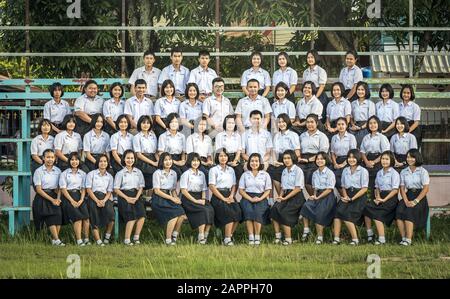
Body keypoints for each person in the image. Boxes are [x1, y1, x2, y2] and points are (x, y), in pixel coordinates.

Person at [332, 149, 369, 245]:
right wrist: (345, 196)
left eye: (353, 157)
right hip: (347, 194)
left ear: (358, 158)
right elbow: (343, 186)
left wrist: (352, 199)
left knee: (347, 215)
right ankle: (336, 239)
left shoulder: (363, 171)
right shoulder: (345, 170)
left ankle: (355, 239)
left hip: (359, 196)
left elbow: (364, 188)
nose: (351, 159)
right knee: (337, 213)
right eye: (349, 157)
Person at [363, 150, 400, 245]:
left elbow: (395, 190)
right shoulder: (379, 172)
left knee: (377, 215)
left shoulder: (394, 173)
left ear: (391, 160)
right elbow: (377, 187)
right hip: (380, 197)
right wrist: (378, 198)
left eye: (387, 159)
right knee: (366, 208)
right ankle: (370, 234)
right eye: (383, 159)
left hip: (390, 198)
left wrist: (384, 199)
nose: (384, 161)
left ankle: (382, 239)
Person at [300, 152, 337, 244]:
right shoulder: (315, 173)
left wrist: (318, 197)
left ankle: (320, 237)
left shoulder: (330, 173)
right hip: (318, 195)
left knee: (319, 212)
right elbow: (315, 188)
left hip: (327, 196)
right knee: (306, 205)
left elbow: (329, 189)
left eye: (322, 159)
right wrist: (314, 195)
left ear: (326, 160)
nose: (319, 161)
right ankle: (306, 230)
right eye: (318, 159)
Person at [270, 150, 305, 245]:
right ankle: (278, 237)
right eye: (284, 158)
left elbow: (298, 189)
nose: (286, 160)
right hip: (285, 195)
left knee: (284, 213)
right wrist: (280, 196)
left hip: (296, 197)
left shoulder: (298, 170)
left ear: (293, 158)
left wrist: (285, 198)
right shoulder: (284, 171)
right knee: (274, 209)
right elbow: (283, 187)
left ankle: (288, 239)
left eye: (288, 158)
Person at [151, 152, 187, 245]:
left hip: (169, 196)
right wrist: (172, 198)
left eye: (170, 160)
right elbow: (157, 191)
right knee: (174, 215)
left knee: (182, 214)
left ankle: (174, 235)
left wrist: (176, 198)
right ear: (162, 161)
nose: (168, 162)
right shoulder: (157, 173)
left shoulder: (174, 173)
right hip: (159, 198)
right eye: (165, 160)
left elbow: (173, 189)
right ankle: (168, 239)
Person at [395, 149, 430, 246]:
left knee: (409, 212)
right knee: (399, 211)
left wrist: (416, 201)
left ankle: (408, 239)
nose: (409, 159)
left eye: (412, 157)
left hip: (420, 197)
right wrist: (405, 200)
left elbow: (426, 188)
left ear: (417, 158)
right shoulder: (404, 171)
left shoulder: (423, 171)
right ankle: (403, 238)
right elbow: (402, 188)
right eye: (408, 157)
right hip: (408, 194)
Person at [209, 148, 242, 246]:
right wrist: (223, 199)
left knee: (238, 212)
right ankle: (227, 239)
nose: (223, 158)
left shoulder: (231, 169)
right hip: (218, 196)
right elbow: (212, 186)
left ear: (228, 157)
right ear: (217, 157)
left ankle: (229, 235)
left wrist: (232, 196)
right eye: (220, 156)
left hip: (229, 195)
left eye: (225, 156)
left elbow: (234, 185)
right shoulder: (213, 170)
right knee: (229, 213)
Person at [180, 153, 215, 244]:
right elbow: (184, 191)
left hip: (200, 197)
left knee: (210, 209)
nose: (195, 163)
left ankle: (205, 235)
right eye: (193, 161)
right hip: (188, 198)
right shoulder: (186, 174)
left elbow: (204, 189)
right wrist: (196, 201)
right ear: (189, 161)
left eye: (197, 161)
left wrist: (203, 199)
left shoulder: (202, 174)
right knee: (203, 211)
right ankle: (201, 236)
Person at [32, 149, 64, 246]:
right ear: (43, 158)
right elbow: (38, 189)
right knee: (50, 215)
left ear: (55, 159)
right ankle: (57, 240)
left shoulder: (58, 171)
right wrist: (52, 200)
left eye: (52, 157)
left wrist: (58, 198)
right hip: (43, 197)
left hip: (55, 195)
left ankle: (55, 240)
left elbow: (59, 187)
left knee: (58, 216)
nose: (50, 159)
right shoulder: (38, 171)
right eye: (48, 157)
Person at [239, 153, 272, 245]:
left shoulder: (265, 174)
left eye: (256, 161)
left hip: (261, 197)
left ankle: (257, 236)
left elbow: (268, 190)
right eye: (252, 161)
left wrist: (260, 198)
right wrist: (250, 198)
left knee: (258, 212)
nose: (254, 163)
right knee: (248, 211)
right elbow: (241, 190)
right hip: (247, 197)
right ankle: (251, 237)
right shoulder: (245, 174)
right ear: (249, 162)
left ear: (260, 162)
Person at [114, 150, 146, 246]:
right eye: (128, 158)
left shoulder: (138, 172)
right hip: (124, 196)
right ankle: (127, 239)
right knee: (131, 216)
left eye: (132, 158)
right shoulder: (120, 173)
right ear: (124, 159)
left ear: (134, 159)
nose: (130, 160)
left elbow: (141, 186)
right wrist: (127, 198)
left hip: (136, 195)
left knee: (142, 215)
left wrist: (136, 197)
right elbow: (116, 189)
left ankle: (136, 237)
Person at [59, 152, 90, 246]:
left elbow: (83, 188)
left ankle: (86, 239)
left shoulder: (83, 174)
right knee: (78, 218)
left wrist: (81, 199)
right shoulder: (64, 173)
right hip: (68, 197)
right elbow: (63, 189)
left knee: (86, 218)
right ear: (69, 161)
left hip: (80, 196)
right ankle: (79, 240)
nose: (74, 162)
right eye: (72, 159)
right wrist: (72, 201)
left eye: (76, 159)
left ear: (79, 161)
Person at [85, 154, 115, 246]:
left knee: (111, 215)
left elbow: (109, 191)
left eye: (105, 161)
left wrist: (104, 201)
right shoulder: (91, 174)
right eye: (101, 161)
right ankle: (98, 240)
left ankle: (107, 237)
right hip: (93, 197)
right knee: (94, 217)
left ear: (107, 163)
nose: (103, 163)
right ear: (97, 163)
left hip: (105, 197)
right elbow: (88, 189)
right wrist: (97, 201)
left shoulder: (109, 176)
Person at [268, 113, 300, 196]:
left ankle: (287, 196)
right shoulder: (276, 136)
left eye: (283, 122)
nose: (281, 124)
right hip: (279, 159)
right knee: (272, 171)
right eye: (279, 122)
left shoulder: (293, 135)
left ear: (287, 122)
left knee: (282, 172)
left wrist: (288, 162)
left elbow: (297, 153)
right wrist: (275, 161)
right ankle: (280, 196)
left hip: (290, 159)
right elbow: (274, 151)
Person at [298, 114, 330, 196]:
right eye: (307, 122)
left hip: (317, 160)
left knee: (309, 177)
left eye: (312, 122)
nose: (309, 124)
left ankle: (317, 198)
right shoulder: (302, 135)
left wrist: (309, 160)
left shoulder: (322, 136)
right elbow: (299, 150)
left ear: (317, 123)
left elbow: (323, 153)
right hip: (303, 160)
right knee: (297, 174)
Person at [360, 115, 390, 193]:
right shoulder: (366, 137)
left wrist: (373, 162)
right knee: (366, 182)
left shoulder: (382, 137)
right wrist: (366, 162)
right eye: (370, 123)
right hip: (367, 160)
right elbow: (362, 152)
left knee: (376, 183)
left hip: (379, 160)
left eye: (374, 123)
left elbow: (385, 153)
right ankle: (368, 201)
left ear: (378, 124)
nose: (372, 125)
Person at [330, 117, 357, 195]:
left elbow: (353, 153)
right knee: (331, 176)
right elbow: (332, 152)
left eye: (343, 124)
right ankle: (343, 196)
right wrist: (335, 164)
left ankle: (346, 196)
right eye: (339, 124)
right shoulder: (334, 137)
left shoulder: (351, 137)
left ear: (346, 125)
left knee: (343, 178)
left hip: (348, 161)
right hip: (337, 161)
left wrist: (343, 164)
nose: (341, 126)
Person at [133, 115, 158, 193]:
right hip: (142, 161)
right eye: (143, 123)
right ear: (140, 124)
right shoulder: (137, 137)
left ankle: (149, 198)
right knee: (143, 182)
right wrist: (153, 163)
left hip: (153, 158)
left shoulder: (153, 136)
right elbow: (138, 154)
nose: (146, 125)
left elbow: (156, 151)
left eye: (148, 123)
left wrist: (157, 161)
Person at [214, 115, 244, 181]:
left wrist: (235, 161)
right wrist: (226, 161)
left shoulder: (238, 136)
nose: (230, 125)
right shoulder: (219, 136)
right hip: (223, 158)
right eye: (229, 123)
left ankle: (235, 190)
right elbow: (219, 151)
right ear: (225, 123)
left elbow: (239, 151)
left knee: (239, 172)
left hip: (234, 159)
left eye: (232, 123)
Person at [157, 113, 186, 178]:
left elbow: (184, 152)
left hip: (179, 159)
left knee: (186, 172)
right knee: (178, 173)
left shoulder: (182, 136)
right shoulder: (163, 136)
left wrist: (183, 161)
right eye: (172, 122)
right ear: (168, 123)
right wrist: (173, 161)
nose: (174, 124)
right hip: (168, 160)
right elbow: (161, 153)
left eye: (176, 122)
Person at [302, 49, 328, 120]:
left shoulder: (321, 71)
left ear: (316, 58)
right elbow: (304, 86)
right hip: (308, 94)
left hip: (318, 94)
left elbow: (322, 86)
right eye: (308, 57)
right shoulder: (305, 72)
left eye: (312, 57)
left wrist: (315, 98)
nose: (310, 59)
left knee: (318, 117)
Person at [350, 81, 376, 147]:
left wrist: (361, 127)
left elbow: (371, 120)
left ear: (366, 91)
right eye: (358, 89)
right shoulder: (353, 103)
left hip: (366, 127)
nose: (360, 91)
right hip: (355, 126)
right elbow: (351, 117)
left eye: (362, 90)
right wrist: (353, 125)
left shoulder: (370, 104)